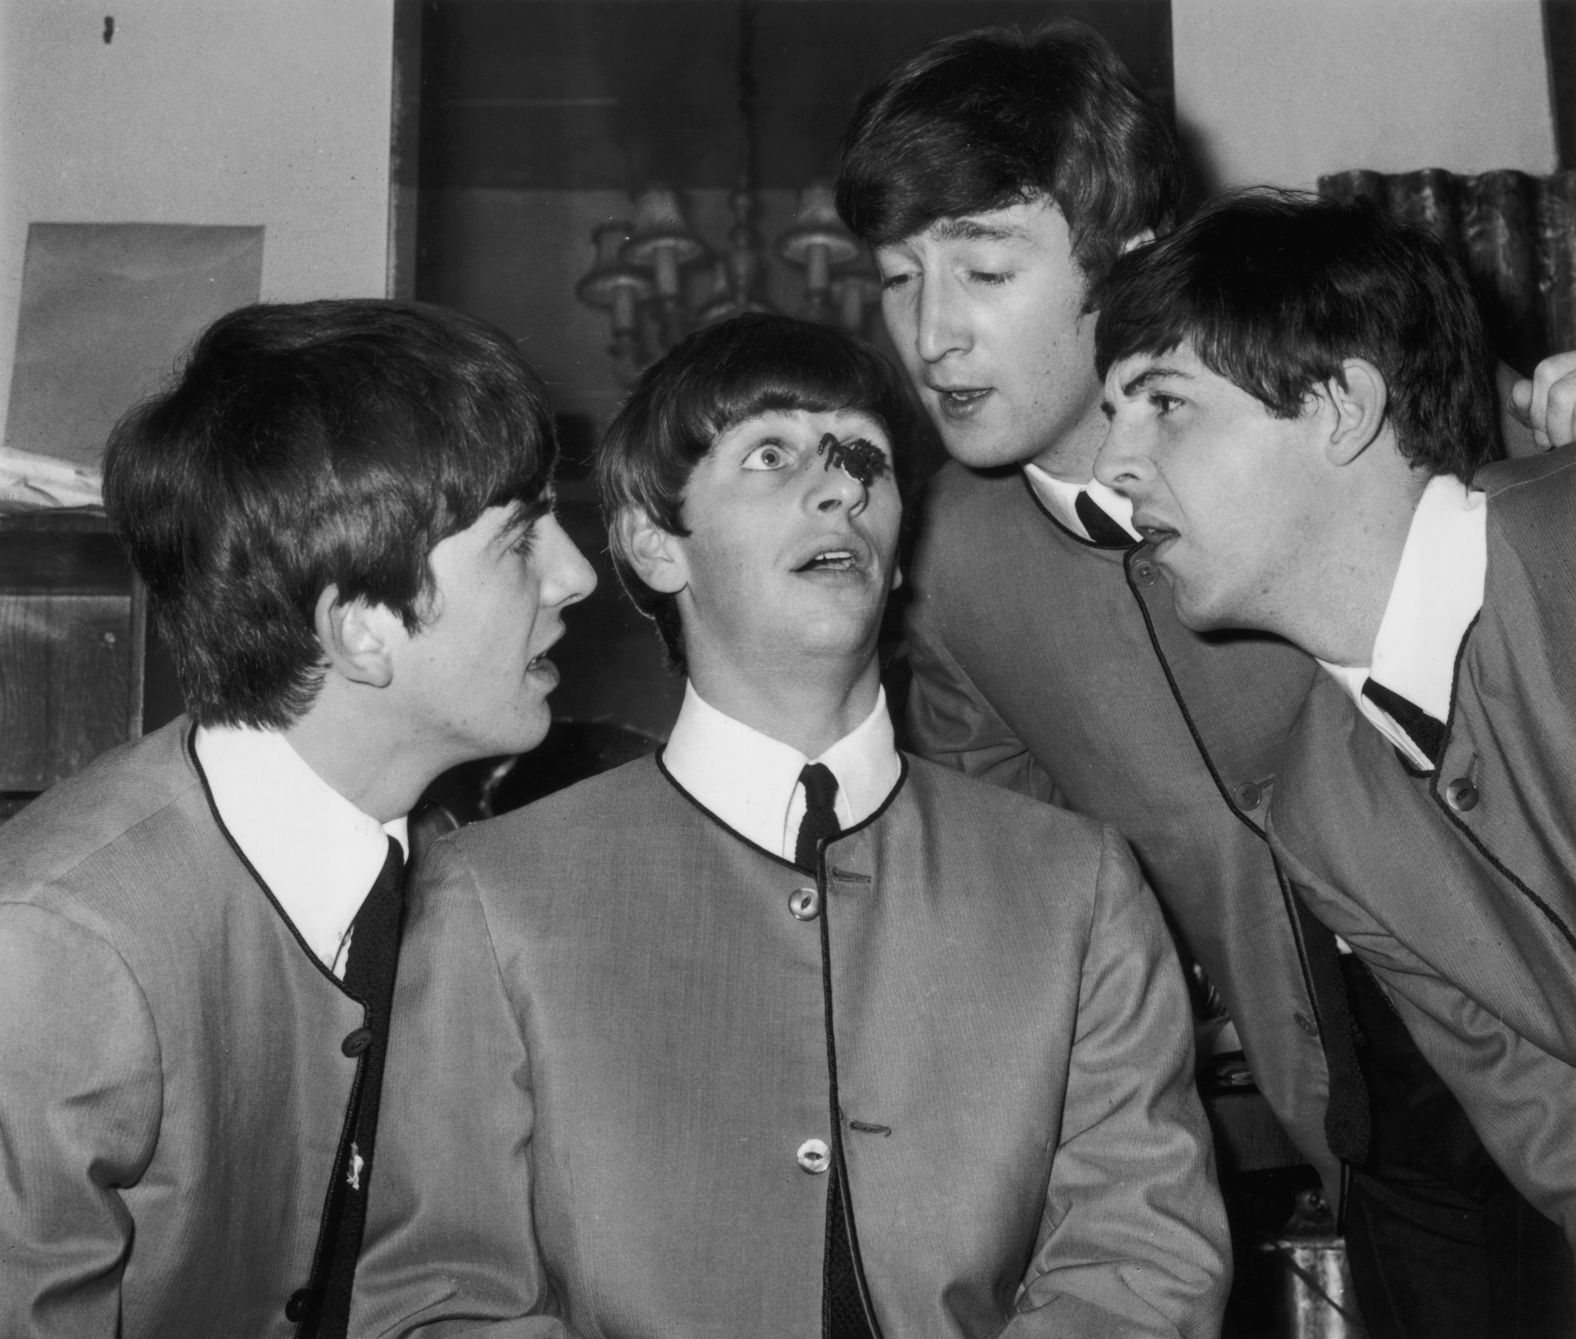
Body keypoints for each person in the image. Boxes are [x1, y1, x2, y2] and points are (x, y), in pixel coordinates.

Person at [834, 19, 1576, 1337]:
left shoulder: (1334, 389)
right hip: (1358, 1112)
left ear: (1126, 259)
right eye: (898, 280)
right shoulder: (946, 558)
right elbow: (1007, 871)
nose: (935, 334)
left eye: (985, 267)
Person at [352, 313, 1230, 1338]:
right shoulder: (493, 895)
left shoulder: (1075, 882)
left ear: (903, 550)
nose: (841, 489)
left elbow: (1141, 1261)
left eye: (866, 461)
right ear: (653, 542)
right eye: (770, 455)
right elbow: (440, 1297)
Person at [0, 299, 596, 1339]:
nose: (576, 573)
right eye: (519, 538)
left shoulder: (454, 871)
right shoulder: (57, 943)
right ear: (362, 628)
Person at [1095, 189, 1576, 1311]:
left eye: (1162, 403)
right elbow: (1545, 1122)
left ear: (1340, 406)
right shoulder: (1314, 810)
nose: (1115, 464)